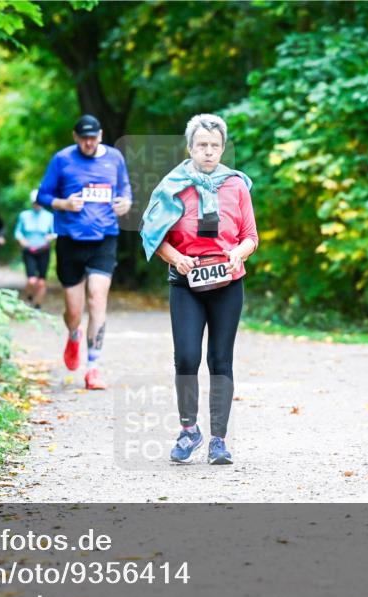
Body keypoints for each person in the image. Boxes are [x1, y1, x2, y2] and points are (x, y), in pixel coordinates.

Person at [140, 114, 258, 465]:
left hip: (228, 282)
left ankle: (219, 440)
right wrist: (176, 258)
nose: (209, 152)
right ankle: (189, 431)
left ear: (223, 149)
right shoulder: (172, 186)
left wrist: (238, 252)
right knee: (187, 357)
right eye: (202, 145)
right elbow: (153, 235)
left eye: (215, 146)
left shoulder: (236, 185)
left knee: (221, 360)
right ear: (190, 147)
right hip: (186, 282)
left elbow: (251, 236)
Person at [36, 114, 132, 390]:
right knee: (74, 311)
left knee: (97, 297)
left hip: (105, 238)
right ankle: (73, 334)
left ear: (100, 135)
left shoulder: (114, 158)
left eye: (93, 137)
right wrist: (64, 204)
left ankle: (93, 367)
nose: (89, 143)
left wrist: (125, 203)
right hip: (70, 240)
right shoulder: (62, 159)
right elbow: (42, 196)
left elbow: (125, 189)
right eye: (84, 138)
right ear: (75, 137)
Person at [15, 189, 56, 309]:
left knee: (41, 282)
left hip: (43, 250)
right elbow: (18, 232)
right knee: (31, 280)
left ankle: (37, 305)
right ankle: (29, 298)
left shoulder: (49, 216)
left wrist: (50, 237)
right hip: (29, 250)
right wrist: (21, 240)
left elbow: (55, 232)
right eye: (35, 202)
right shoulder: (24, 215)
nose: (37, 205)